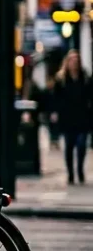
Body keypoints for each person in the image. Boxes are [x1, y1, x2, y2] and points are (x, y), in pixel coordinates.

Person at [52, 50, 91, 185]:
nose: (74, 63)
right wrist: (55, 112)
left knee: (81, 145)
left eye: (77, 60)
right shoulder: (61, 79)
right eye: (72, 60)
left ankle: (79, 169)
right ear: (67, 62)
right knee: (69, 146)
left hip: (82, 117)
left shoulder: (85, 77)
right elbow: (56, 98)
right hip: (67, 117)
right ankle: (70, 173)